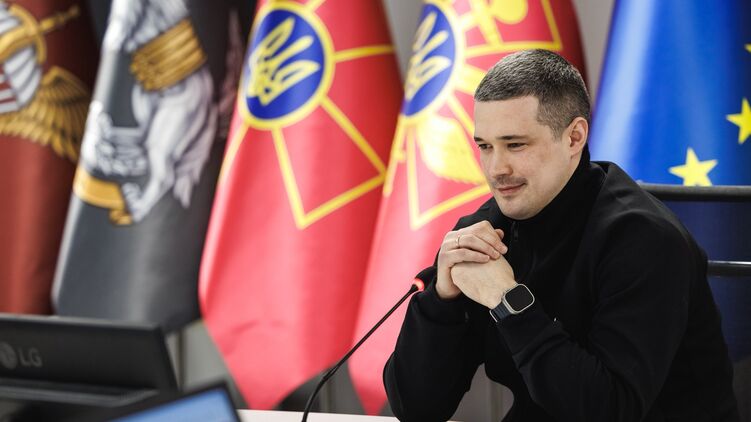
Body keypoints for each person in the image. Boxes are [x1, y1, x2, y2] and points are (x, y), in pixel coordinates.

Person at [383, 49, 739, 422]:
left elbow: (609, 410)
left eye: (515, 145)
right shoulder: (486, 231)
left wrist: (509, 301)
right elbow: (417, 409)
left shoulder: (646, 241)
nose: (495, 168)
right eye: (485, 146)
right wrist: (442, 300)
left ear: (574, 137)